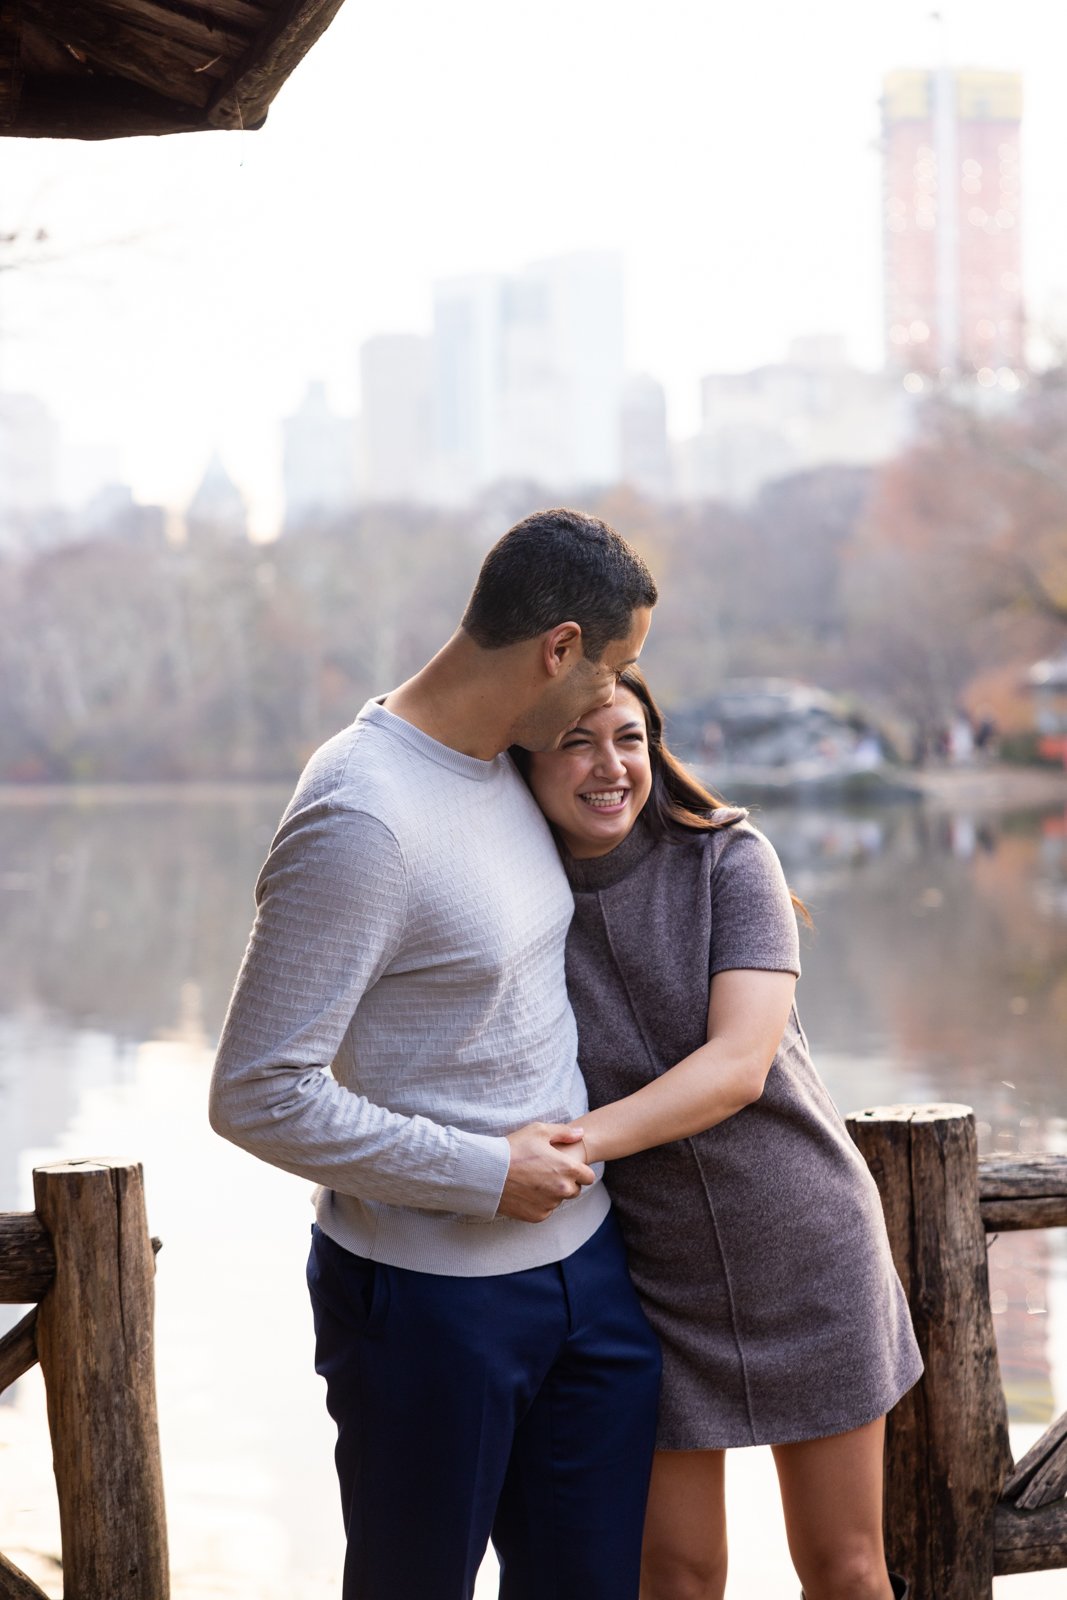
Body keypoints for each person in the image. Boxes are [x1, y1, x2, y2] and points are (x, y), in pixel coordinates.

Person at [208, 509, 663, 1600]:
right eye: (616, 666)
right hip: (430, 1308)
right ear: (557, 648)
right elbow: (254, 1093)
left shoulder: (509, 765)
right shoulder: (361, 812)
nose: (616, 695)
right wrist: (483, 1171)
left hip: (591, 1280)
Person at [521, 667, 922, 1600]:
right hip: (653, 1281)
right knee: (676, 1576)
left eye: (626, 737)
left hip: (806, 1250)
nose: (607, 766)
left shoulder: (729, 857)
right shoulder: (514, 899)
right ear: (526, 760)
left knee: (845, 1568)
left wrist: (568, 1146)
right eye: (575, 742)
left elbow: (738, 1067)